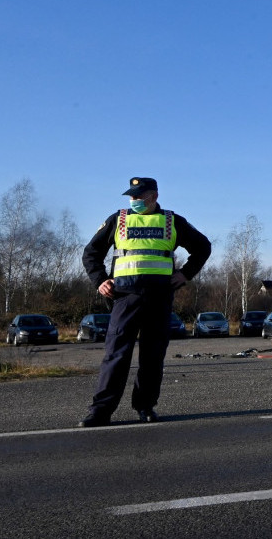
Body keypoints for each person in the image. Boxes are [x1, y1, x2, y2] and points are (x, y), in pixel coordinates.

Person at [78, 177, 211, 427]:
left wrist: (185, 274)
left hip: (159, 297)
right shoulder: (118, 219)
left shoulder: (172, 221)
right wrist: (100, 280)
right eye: (132, 197)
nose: (134, 201)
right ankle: (100, 411)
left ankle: (145, 406)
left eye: (139, 196)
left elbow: (202, 247)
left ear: (154, 197)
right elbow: (91, 253)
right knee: (116, 354)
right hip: (125, 297)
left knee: (152, 356)